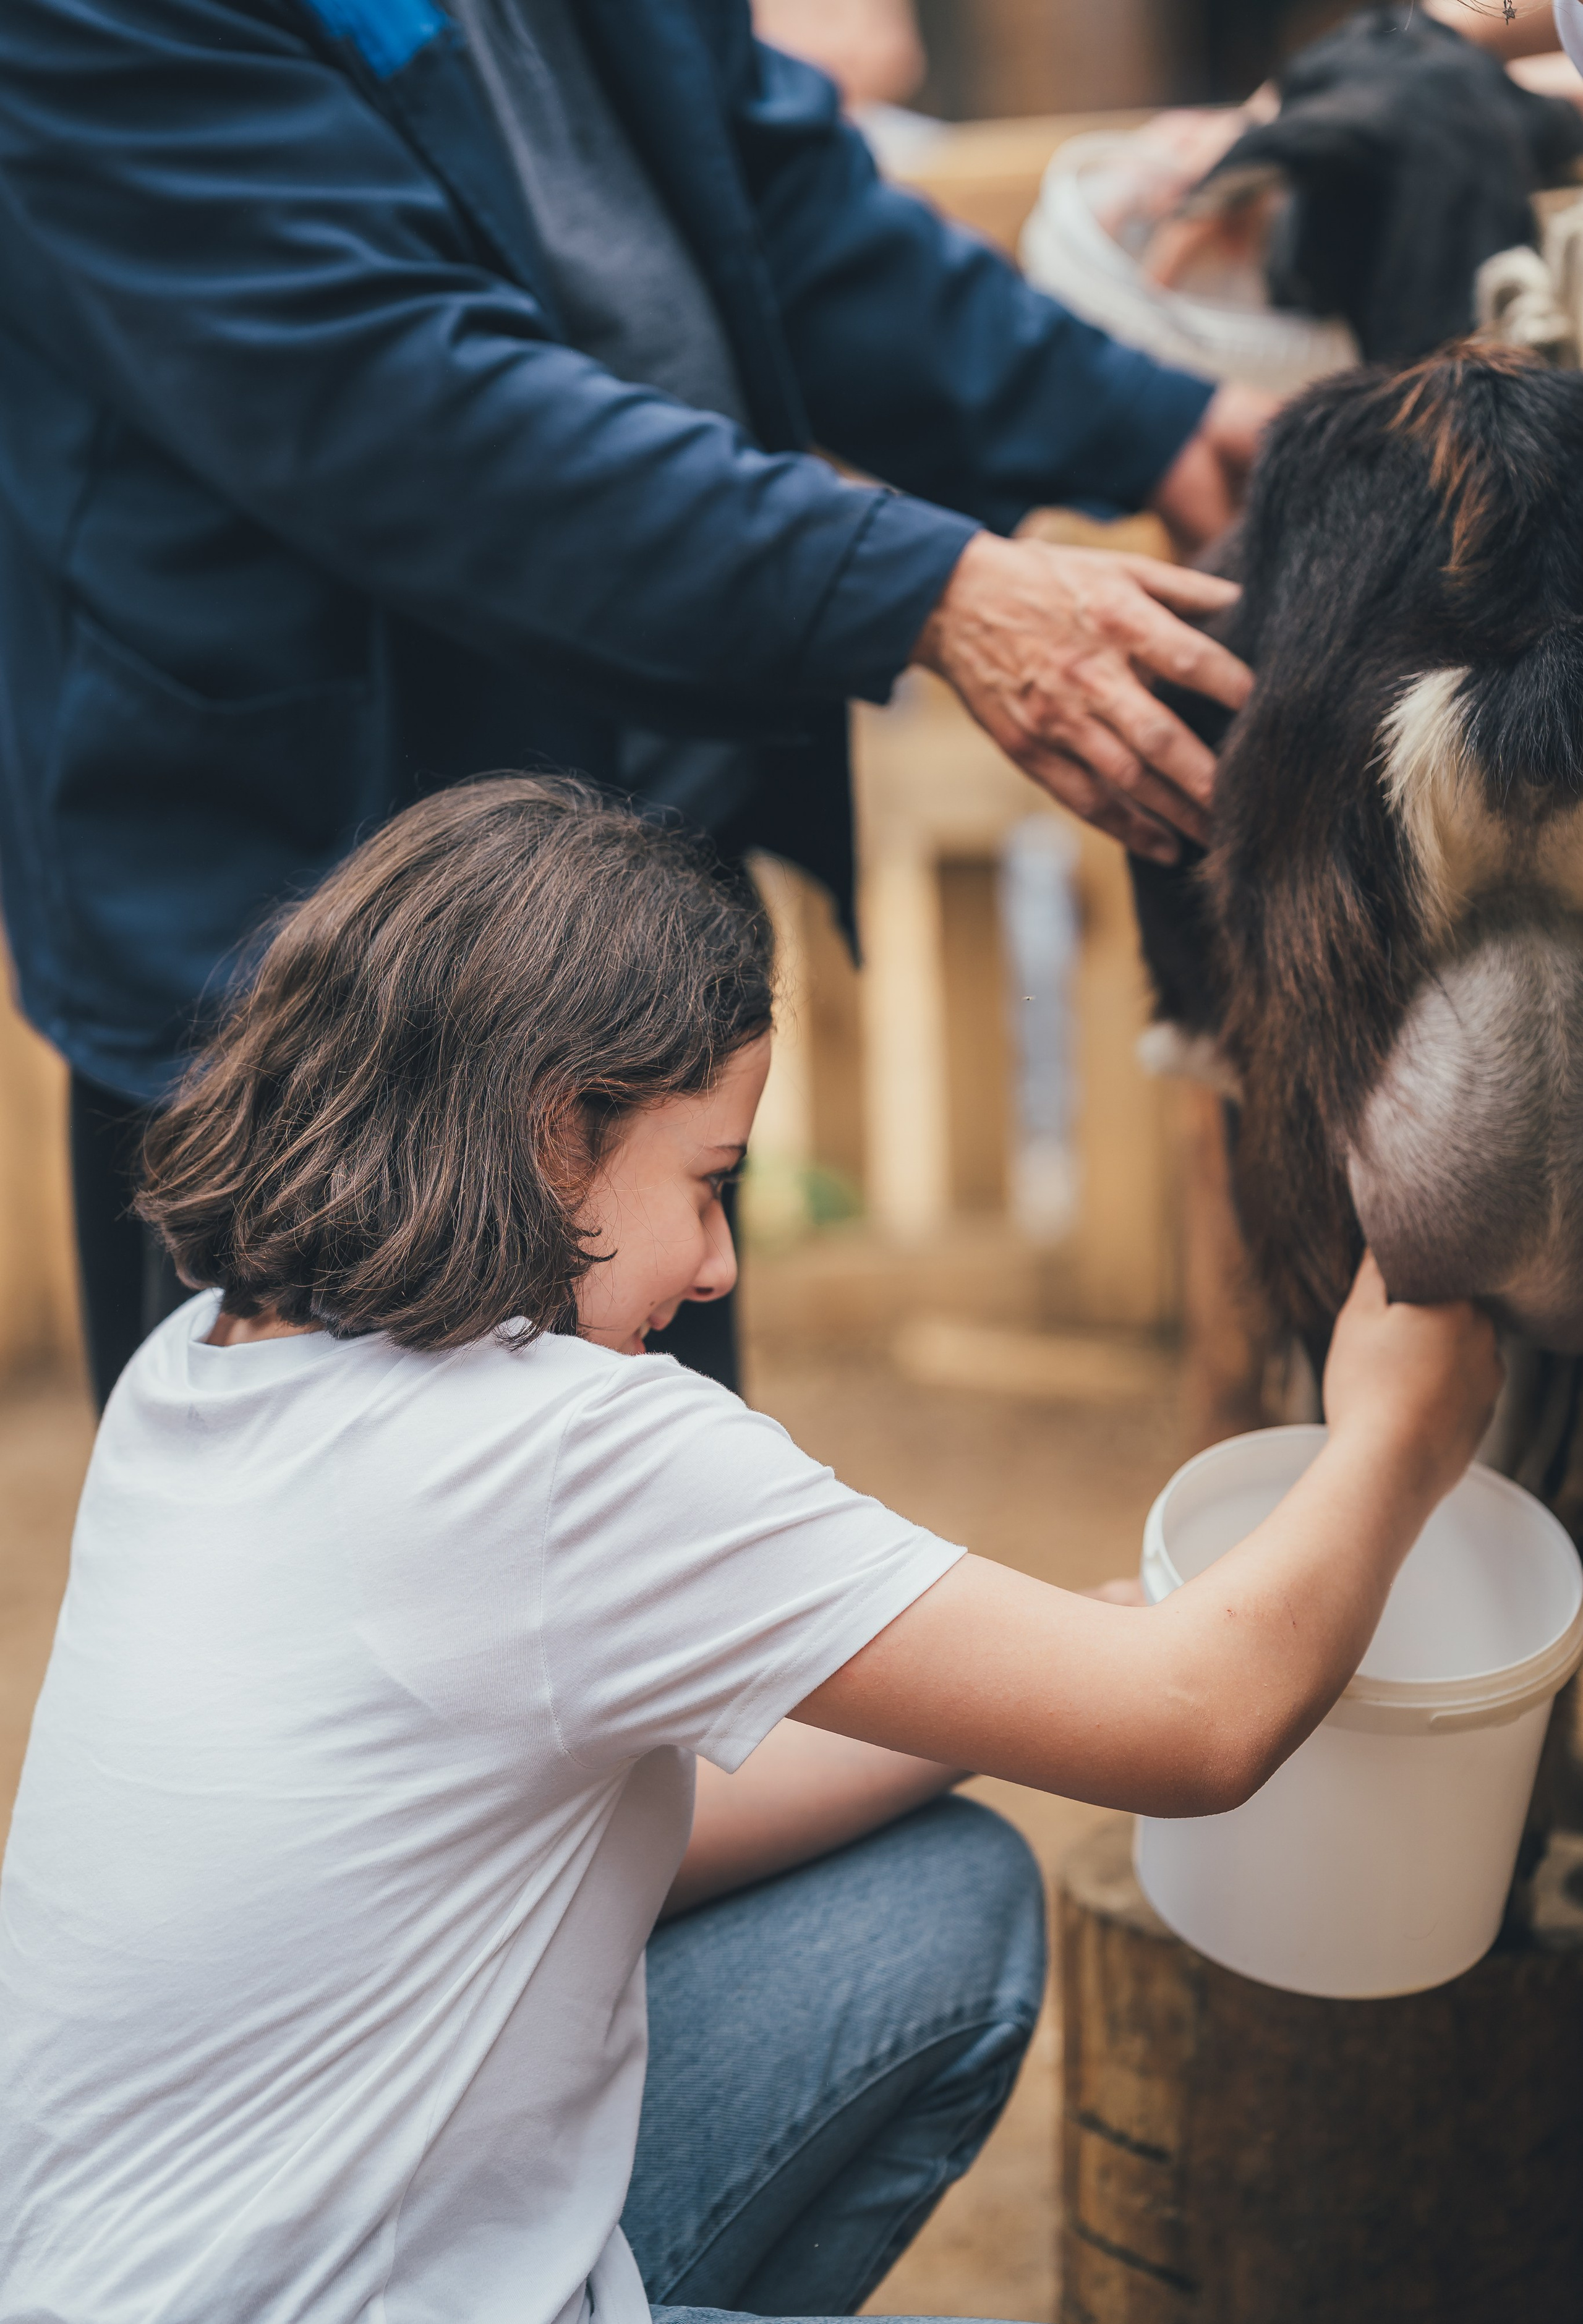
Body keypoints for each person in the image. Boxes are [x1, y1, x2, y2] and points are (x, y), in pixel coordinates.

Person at [0, 778, 1501, 2324]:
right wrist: (1398, 1434)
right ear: (550, 1125)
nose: (720, 1264)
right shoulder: (566, 1451)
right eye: (707, 1181)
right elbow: (1205, 1725)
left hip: (124, 2318)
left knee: (939, 1902)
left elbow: (597, 1829)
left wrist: (1068, 1654)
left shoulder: (205, 1360)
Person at [0, 0, 1273, 1408]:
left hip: (607, 879)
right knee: (335, 1537)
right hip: (305, 932)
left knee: (642, 1492)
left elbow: (771, 195)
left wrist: (1144, 420)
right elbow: (408, 406)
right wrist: (914, 583)